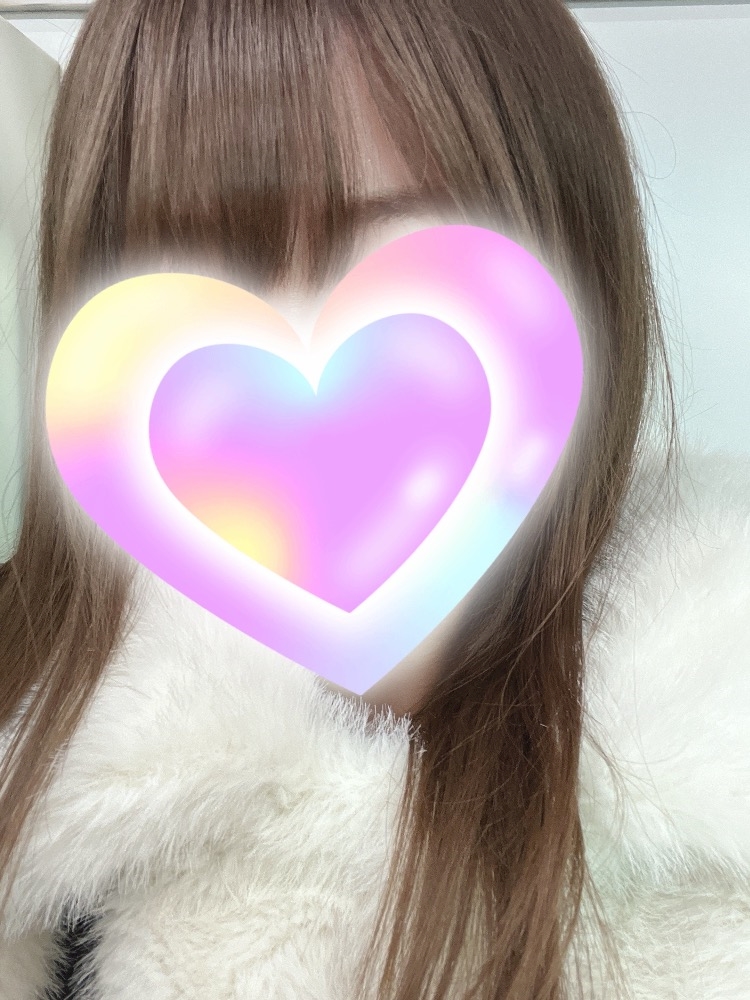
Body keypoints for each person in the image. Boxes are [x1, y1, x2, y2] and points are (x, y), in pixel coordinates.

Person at [0, 0, 748, 998]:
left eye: (396, 249)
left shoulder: (709, 783)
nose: (291, 338)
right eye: (197, 268)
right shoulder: (43, 782)